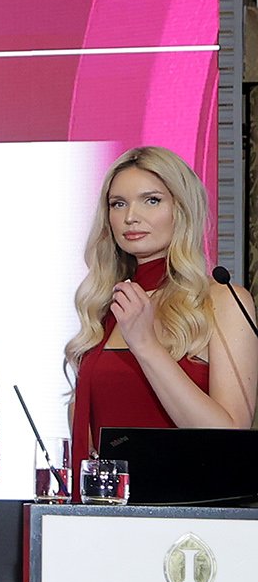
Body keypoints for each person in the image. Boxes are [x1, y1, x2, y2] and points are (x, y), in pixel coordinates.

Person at [67, 146, 257, 461]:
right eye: (118, 204)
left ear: (181, 209)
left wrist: (146, 345)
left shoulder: (222, 299)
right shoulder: (106, 304)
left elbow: (229, 438)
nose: (130, 217)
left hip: (191, 491)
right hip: (113, 493)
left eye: (151, 200)